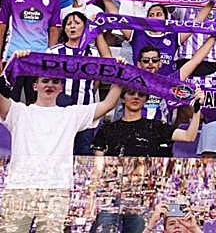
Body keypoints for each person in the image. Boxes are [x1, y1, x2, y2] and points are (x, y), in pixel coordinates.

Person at [0, 69, 123, 233]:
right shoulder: (18, 111)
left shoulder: (71, 114)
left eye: (55, 82)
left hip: (56, 190)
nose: (50, 85)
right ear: (35, 86)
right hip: (20, 188)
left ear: (61, 88)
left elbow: (108, 104)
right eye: (45, 81)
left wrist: (120, 74)